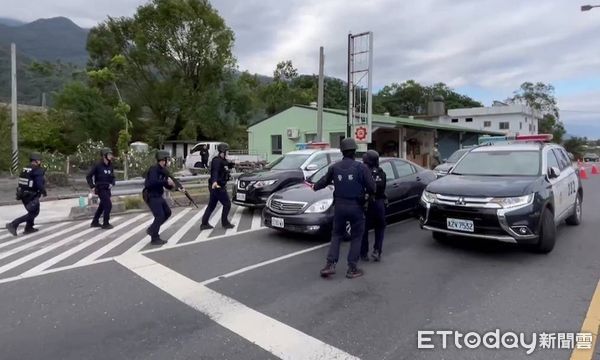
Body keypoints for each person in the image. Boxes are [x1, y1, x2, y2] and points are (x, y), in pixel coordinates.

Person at [312, 138, 375, 279]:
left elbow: (323, 182)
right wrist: (367, 195)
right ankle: (352, 268)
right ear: (354, 151)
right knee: (357, 237)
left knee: (336, 235)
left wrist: (314, 186)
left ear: (342, 151)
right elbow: (372, 187)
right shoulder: (361, 168)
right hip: (356, 207)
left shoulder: (334, 167)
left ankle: (330, 264)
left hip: (339, 206)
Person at [6, 152, 47, 236]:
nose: (40, 162)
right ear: (36, 161)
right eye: (39, 160)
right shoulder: (37, 170)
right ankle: (13, 224)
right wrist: (43, 191)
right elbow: (39, 184)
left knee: (32, 210)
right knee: (34, 212)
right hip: (31, 194)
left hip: (22, 193)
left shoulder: (25, 168)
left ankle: (29, 228)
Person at [143, 150, 176, 245]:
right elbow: (153, 182)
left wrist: (173, 186)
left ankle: (152, 229)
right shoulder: (154, 169)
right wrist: (166, 182)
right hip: (151, 195)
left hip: (158, 195)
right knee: (159, 215)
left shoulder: (164, 171)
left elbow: (167, 185)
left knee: (167, 212)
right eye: (167, 159)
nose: (169, 161)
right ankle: (155, 237)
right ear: (162, 160)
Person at [200, 143, 235, 230]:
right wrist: (215, 182)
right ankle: (225, 223)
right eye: (227, 151)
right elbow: (215, 172)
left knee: (212, 205)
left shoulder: (223, 160)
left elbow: (227, 165)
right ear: (223, 151)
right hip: (217, 186)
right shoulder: (216, 161)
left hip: (216, 185)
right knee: (227, 204)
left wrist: (232, 164)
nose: (228, 153)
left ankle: (204, 224)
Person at [360, 150, 387, 262]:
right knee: (380, 228)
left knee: (364, 230)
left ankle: (364, 253)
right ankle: (377, 251)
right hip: (379, 203)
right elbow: (383, 187)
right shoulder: (381, 172)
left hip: (367, 204)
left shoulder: (364, 172)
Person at [86, 147, 116, 229]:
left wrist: (112, 183)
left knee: (102, 206)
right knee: (108, 205)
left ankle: (95, 222)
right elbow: (88, 176)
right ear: (104, 156)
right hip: (100, 188)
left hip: (108, 188)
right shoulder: (98, 165)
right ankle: (106, 223)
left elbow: (113, 177)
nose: (111, 156)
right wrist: (92, 186)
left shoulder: (110, 165)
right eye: (109, 154)